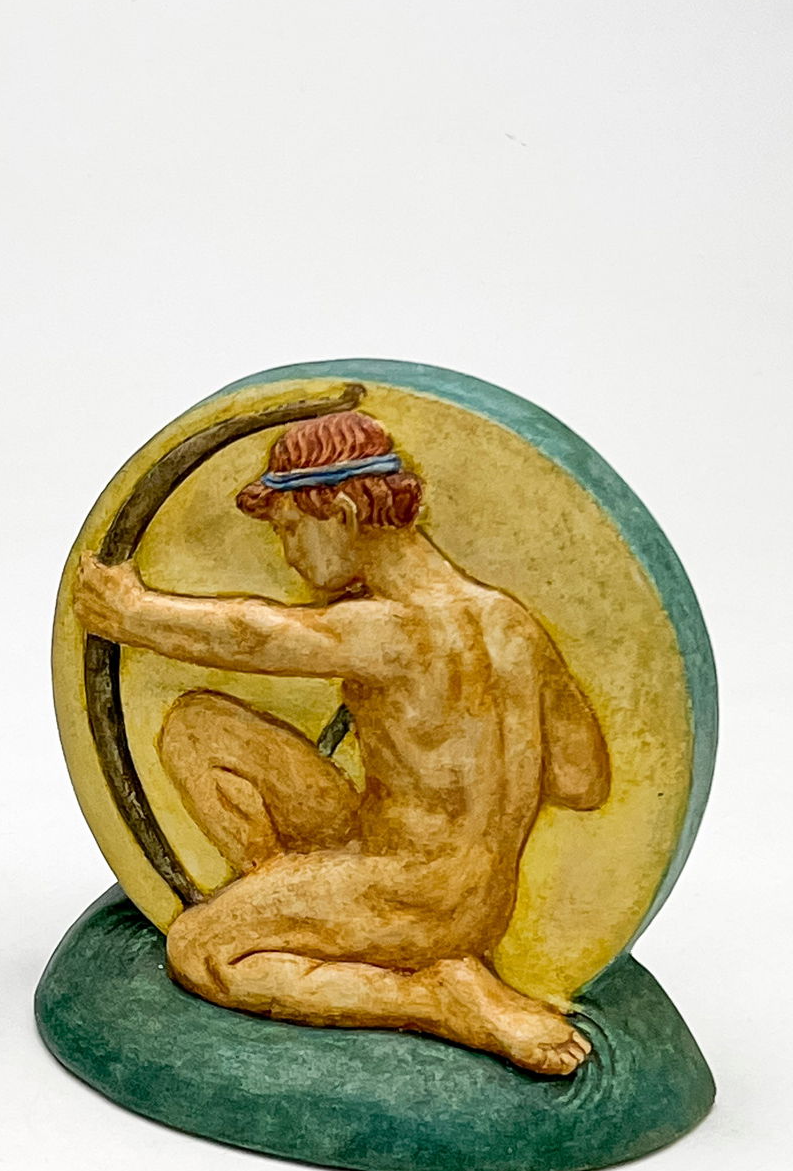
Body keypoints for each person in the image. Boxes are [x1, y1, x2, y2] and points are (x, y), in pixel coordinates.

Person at [75, 409, 609, 1075]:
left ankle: (434, 997)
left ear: (346, 513)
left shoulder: (392, 628)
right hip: (436, 873)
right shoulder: (514, 626)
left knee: (200, 949)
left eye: (290, 529)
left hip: (420, 903)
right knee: (197, 727)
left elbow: (255, 635)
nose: (289, 554)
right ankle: (294, 907)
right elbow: (583, 782)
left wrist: (133, 614)